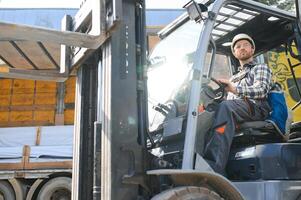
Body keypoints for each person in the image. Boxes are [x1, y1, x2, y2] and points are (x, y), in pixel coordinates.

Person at [203, 33, 272, 174]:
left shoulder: (260, 68)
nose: (242, 48)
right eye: (238, 47)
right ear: (234, 53)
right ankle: (199, 160)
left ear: (252, 50)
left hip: (256, 108)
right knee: (207, 113)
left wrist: (234, 89)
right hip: (238, 109)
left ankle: (213, 167)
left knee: (225, 108)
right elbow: (228, 100)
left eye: (245, 45)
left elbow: (261, 90)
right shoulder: (234, 77)